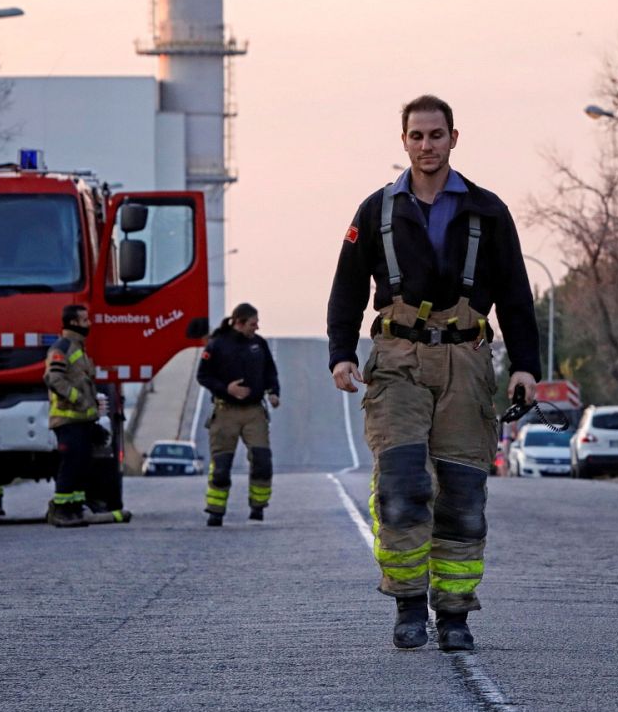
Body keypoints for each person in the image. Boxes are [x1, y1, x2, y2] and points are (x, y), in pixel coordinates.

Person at [327, 94, 541, 652]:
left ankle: (453, 615)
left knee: (461, 496)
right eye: (417, 136)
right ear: (403, 141)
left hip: (468, 362)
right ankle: (406, 606)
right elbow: (347, 286)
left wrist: (525, 368)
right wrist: (341, 353)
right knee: (401, 486)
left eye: (436, 135)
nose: (427, 145)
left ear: (453, 138)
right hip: (397, 360)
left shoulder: (488, 211)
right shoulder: (375, 210)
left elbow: (517, 295)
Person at [43, 304, 130, 527]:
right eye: (85, 320)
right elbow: (54, 379)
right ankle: (61, 510)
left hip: (82, 421)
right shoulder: (62, 348)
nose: (89, 323)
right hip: (68, 420)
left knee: (81, 466)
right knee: (71, 465)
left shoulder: (78, 348)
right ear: (73, 323)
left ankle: (74, 509)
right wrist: (79, 400)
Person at [197, 302, 281, 526]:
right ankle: (216, 511)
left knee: (262, 460)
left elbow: (270, 372)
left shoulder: (259, 344)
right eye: (253, 323)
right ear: (239, 322)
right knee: (221, 466)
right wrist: (227, 389)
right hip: (226, 412)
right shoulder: (216, 345)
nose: (257, 327)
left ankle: (258, 508)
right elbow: (202, 376)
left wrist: (274, 392)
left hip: (254, 411)